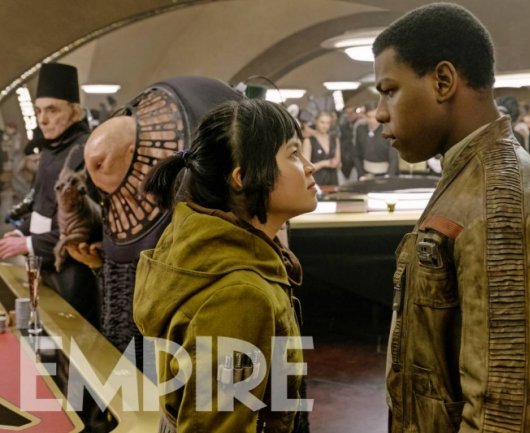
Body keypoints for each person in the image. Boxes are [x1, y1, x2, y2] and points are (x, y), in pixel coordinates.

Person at [372, 4, 530, 431]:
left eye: (389, 90)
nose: (379, 112)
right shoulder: (471, 173)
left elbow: (503, 414)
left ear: (443, 81)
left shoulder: (501, 202)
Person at [133, 98, 316, 432]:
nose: (309, 166)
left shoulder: (204, 244)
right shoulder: (239, 294)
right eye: (293, 154)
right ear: (242, 177)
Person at [65, 77, 243, 368]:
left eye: (99, 164)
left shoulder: (194, 217)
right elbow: (125, 297)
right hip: (137, 361)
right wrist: (100, 266)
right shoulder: (119, 207)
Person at [0, 63, 99, 325]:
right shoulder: (50, 150)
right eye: (39, 111)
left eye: (52, 110)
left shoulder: (86, 152)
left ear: (74, 111)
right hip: (43, 269)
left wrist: (28, 244)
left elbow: (85, 229)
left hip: (74, 278)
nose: (42, 119)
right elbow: (40, 207)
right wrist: (20, 232)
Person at [354, 101, 399, 178]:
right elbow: (357, 155)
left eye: (375, 117)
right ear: (365, 116)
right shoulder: (360, 129)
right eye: (369, 117)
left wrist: (389, 176)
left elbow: (393, 158)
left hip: (384, 175)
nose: (372, 120)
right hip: (366, 174)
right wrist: (361, 175)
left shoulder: (388, 131)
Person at [303, 111, 340, 187]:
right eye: (322, 122)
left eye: (328, 123)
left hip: (333, 182)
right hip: (316, 183)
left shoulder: (334, 139)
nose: (325, 126)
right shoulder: (309, 141)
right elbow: (306, 169)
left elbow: (338, 163)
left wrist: (336, 163)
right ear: (316, 121)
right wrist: (323, 163)